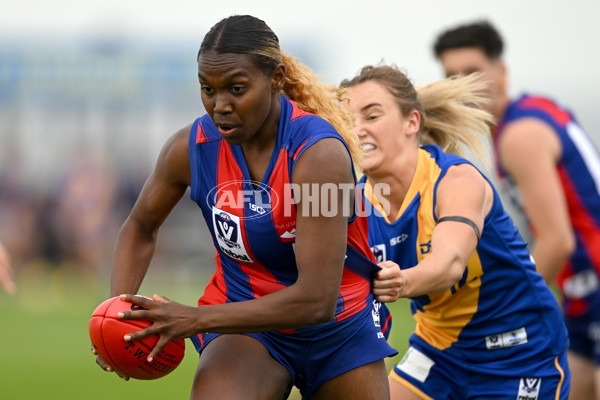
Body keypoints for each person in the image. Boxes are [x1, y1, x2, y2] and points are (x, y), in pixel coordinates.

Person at [92, 14, 397, 400]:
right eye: (208, 88)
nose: (220, 106)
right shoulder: (189, 149)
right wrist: (117, 316)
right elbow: (139, 225)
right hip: (245, 323)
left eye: (236, 88)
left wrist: (197, 318)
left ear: (276, 79)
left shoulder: (320, 156)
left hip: (338, 326)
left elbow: (317, 299)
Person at [341, 63, 570, 399]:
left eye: (371, 116)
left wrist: (401, 281)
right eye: (349, 121)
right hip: (439, 352)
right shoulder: (355, 202)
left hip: (520, 354)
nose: (358, 129)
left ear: (411, 122)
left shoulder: (457, 180)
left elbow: (449, 264)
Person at [433, 20, 600, 400]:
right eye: (452, 77)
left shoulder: (519, 135)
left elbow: (556, 239)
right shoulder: (532, 110)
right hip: (581, 295)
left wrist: (506, 310)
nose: (465, 87)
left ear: (502, 72)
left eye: (473, 72)